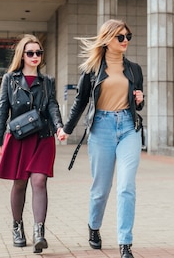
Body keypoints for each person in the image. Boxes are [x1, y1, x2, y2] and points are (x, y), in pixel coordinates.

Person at [57, 19, 145, 258]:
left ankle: (125, 243)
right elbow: (81, 102)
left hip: (128, 127)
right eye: (120, 37)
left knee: (126, 186)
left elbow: (139, 103)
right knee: (101, 189)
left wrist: (139, 99)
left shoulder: (135, 69)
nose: (125, 41)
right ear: (107, 40)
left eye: (128, 36)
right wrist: (67, 128)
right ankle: (94, 226)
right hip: (101, 129)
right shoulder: (92, 69)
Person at [0, 34, 63, 254]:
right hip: (20, 137)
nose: (35, 56)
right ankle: (17, 226)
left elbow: (52, 106)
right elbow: (2, 110)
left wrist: (60, 127)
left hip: (43, 136)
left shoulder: (47, 81)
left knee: (39, 181)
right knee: (20, 183)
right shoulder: (10, 79)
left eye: (38, 53)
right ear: (22, 55)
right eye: (30, 53)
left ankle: (39, 232)